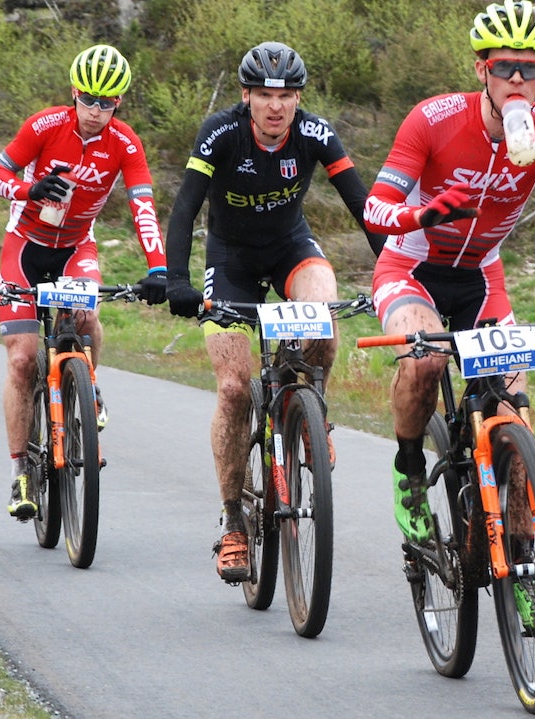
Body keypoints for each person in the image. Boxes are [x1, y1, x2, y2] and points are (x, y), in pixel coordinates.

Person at [362, 0, 535, 543]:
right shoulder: (433, 118)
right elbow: (375, 209)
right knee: (426, 362)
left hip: (482, 278)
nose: (516, 79)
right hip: (411, 267)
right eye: (504, 66)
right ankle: (409, 471)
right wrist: (422, 214)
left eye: (530, 68)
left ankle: (524, 556)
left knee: (514, 410)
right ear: (482, 70)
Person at [161, 41, 386, 583]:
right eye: (264, 95)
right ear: (247, 96)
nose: (276, 106)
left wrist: (392, 272)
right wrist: (177, 280)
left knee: (323, 310)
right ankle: (234, 522)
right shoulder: (221, 132)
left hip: (290, 247)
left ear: (298, 99)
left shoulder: (315, 134)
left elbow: (362, 205)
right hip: (230, 260)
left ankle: (311, 411)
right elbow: (185, 206)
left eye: (286, 96)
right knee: (234, 389)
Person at [0, 44, 170, 520]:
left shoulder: (125, 143)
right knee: (23, 360)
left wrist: (159, 269)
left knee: (86, 316)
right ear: (74, 93)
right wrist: (29, 188)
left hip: (75, 247)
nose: (94, 111)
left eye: (106, 103)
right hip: (25, 247)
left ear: (118, 103)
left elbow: (143, 208)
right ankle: (20, 471)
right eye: (87, 99)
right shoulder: (44, 125)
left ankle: (88, 386)